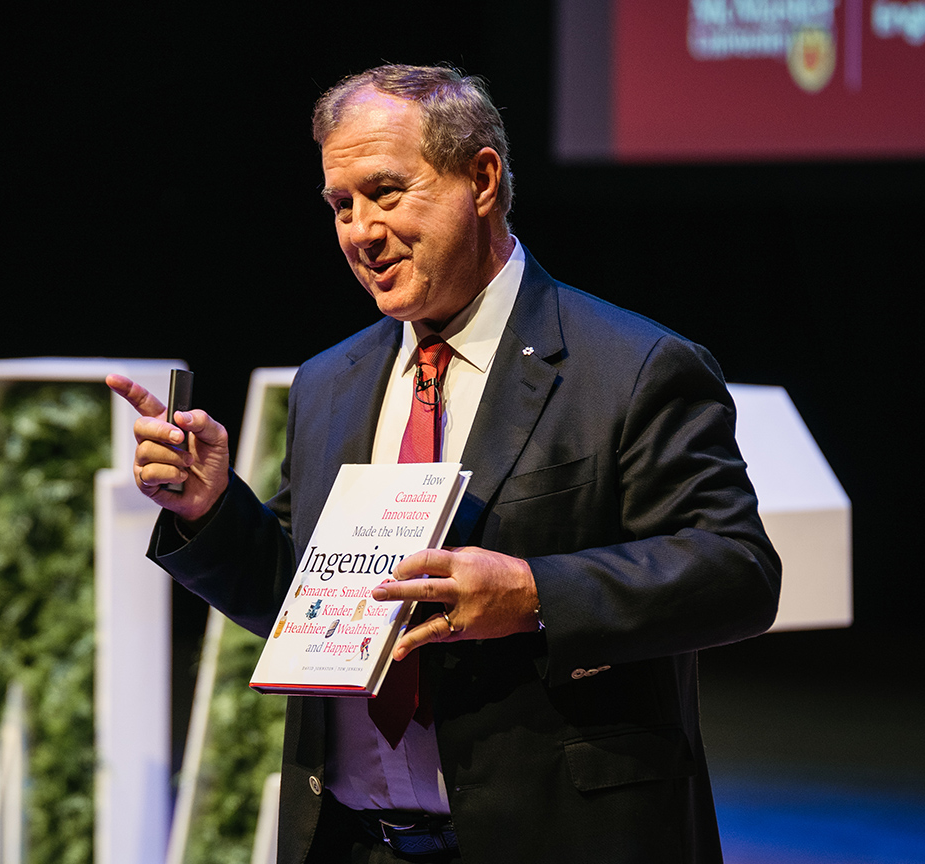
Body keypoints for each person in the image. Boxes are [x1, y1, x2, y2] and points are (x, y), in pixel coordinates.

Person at [107, 64, 779, 864]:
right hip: (356, 842)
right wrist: (211, 508)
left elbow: (736, 570)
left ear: (482, 178)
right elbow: (307, 604)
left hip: (557, 837)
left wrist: (534, 595)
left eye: (386, 192)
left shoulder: (632, 366)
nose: (360, 230)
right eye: (340, 205)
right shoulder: (331, 382)